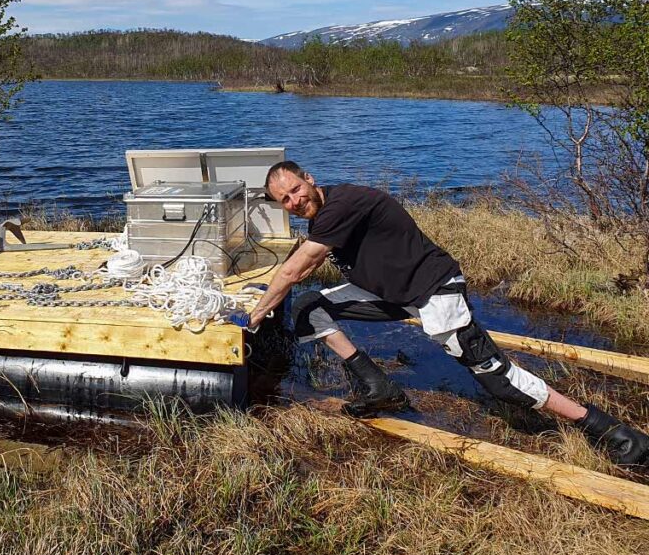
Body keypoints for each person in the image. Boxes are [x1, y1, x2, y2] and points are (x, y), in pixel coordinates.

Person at [238, 160, 649, 468]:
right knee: (312, 308)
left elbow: (298, 269)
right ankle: (377, 387)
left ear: (309, 178)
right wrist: (265, 287)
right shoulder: (327, 211)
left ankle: (609, 430)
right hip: (394, 293)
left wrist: (254, 315)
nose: (294, 202)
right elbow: (300, 257)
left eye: (295, 190)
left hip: (434, 290)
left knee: (499, 382)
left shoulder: (342, 204)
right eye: (284, 200)